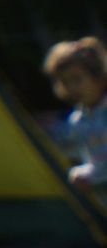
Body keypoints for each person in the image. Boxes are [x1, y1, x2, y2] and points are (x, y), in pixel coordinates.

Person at [46, 37, 107, 188]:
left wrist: (92, 175)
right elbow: (92, 161)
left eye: (76, 79)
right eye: (65, 82)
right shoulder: (77, 120)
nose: (71, 88)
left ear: (99, 78)